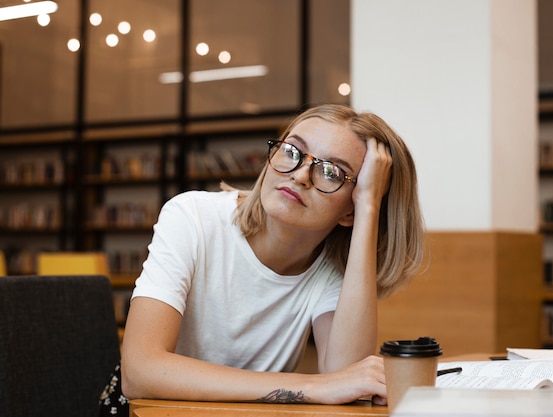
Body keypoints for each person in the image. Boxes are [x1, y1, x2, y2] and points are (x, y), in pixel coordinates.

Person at [101, 103, 425, 415]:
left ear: (350, 209)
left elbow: (346, 379)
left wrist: (369, 206)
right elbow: (139, 373)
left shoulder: (334, 269)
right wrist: (310, 388)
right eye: (292, 151)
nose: (300, 176)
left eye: (331, 172)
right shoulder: (192, 217)